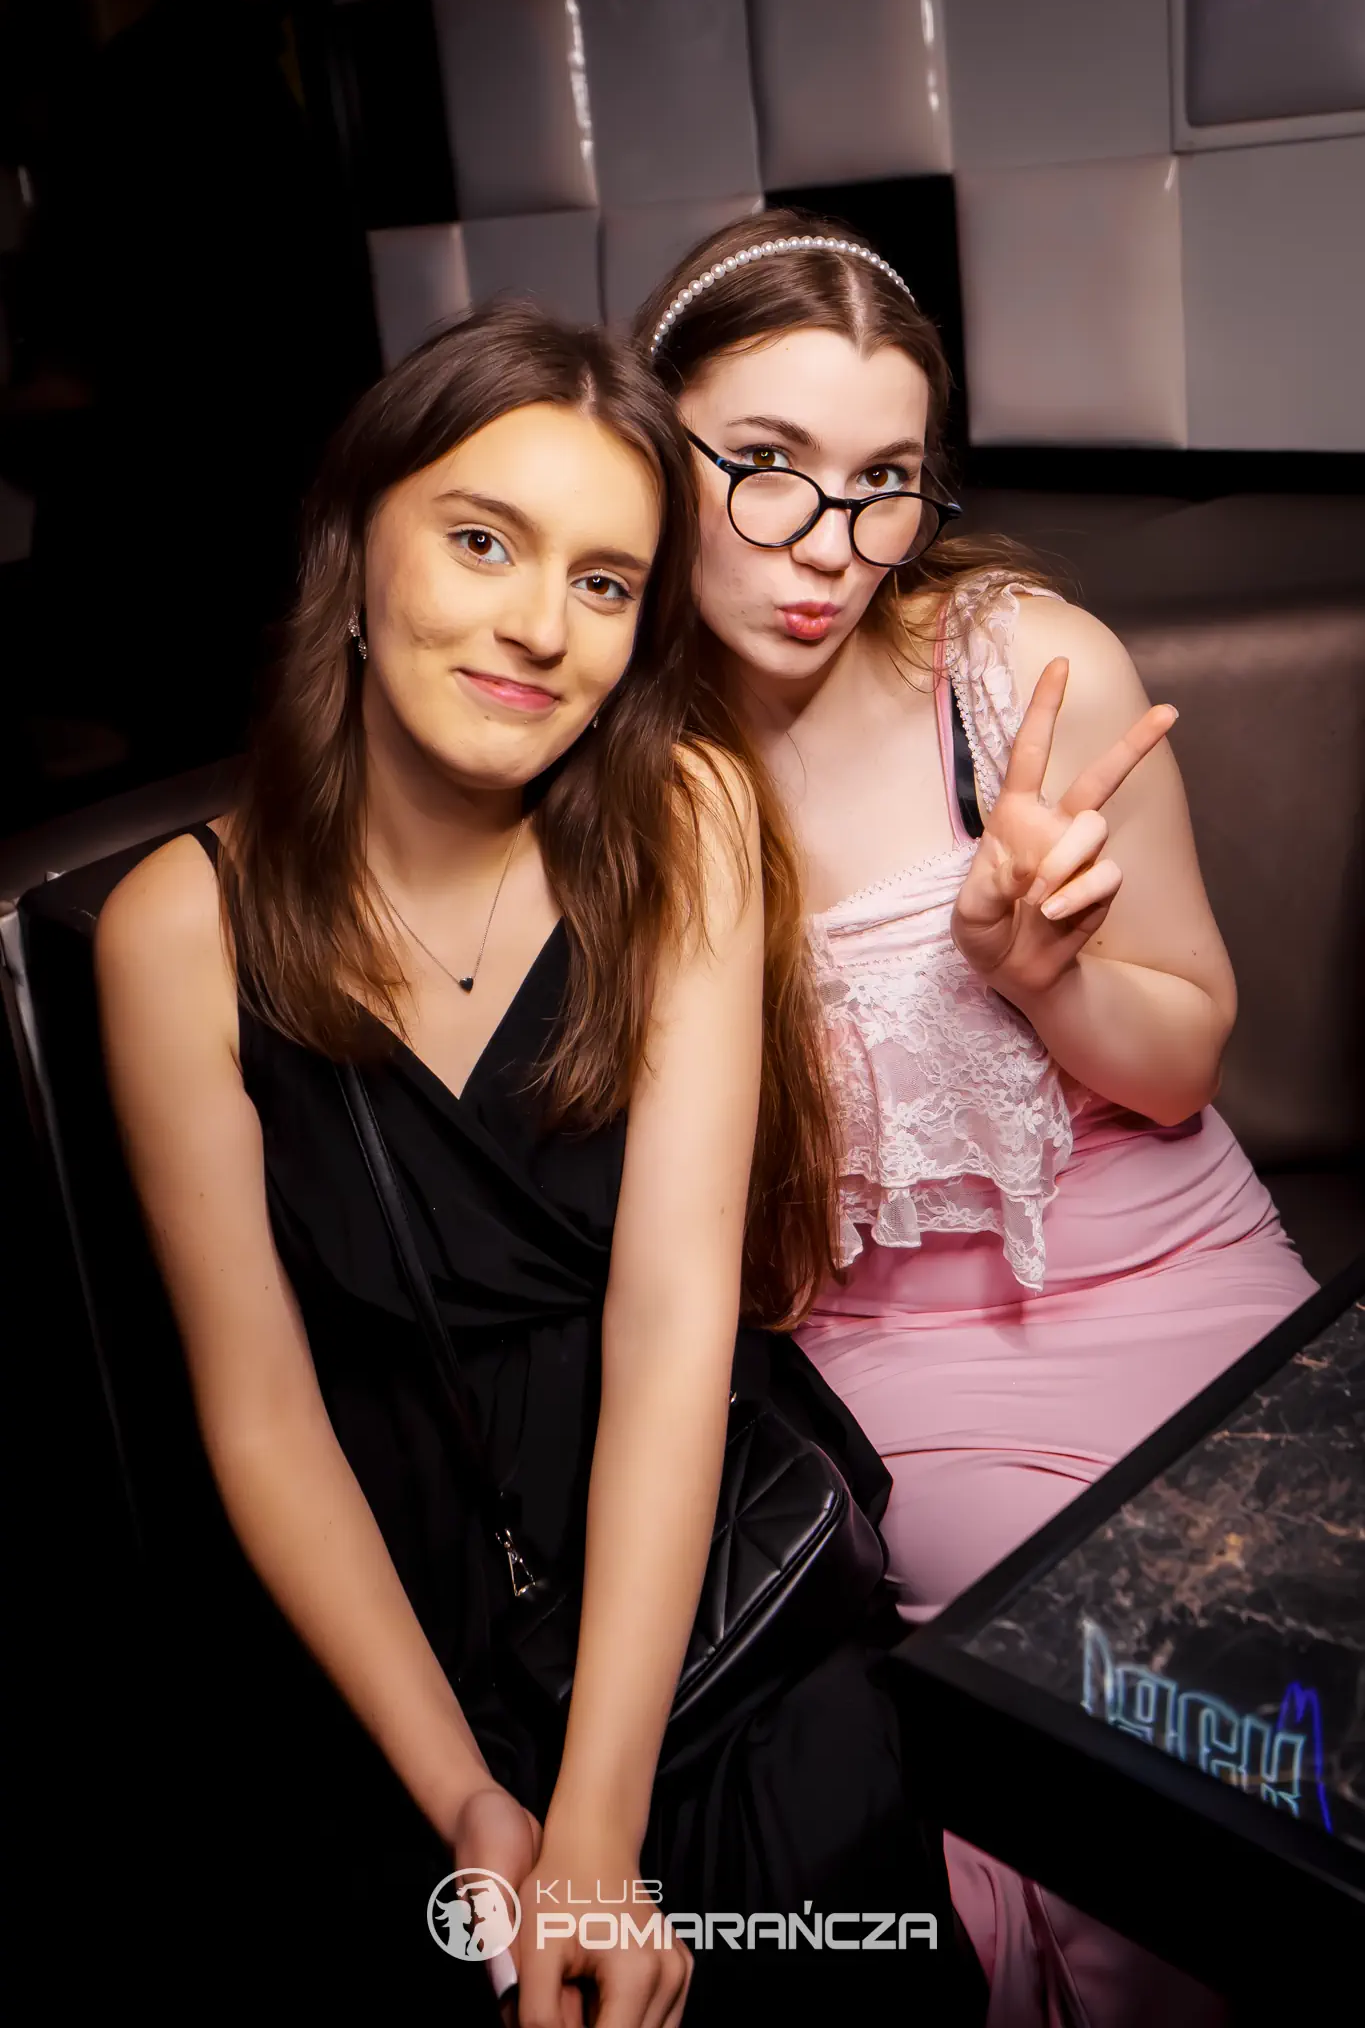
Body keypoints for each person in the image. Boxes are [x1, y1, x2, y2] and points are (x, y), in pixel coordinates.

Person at [95, 298, 983, 2022]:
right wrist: (468, 1803)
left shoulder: (683, 827)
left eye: (605, 581)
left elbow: (673, 1317)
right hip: (388, 1626)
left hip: (694, 1565)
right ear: (356, 555)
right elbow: (262, 1415)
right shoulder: (177, 931)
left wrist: (594, 1823)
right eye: (484, 541)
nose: (538, 627)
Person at [636, 208, 1318, 2026]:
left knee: (1311, 1663)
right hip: (890, 1358)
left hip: (1175, 1267)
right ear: (648, 442)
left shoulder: (1021, 666)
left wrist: (1038, 977)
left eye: (884, 483)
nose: (828, 544)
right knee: (1124, 1721)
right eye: (764, 463)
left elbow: (1180, 1062)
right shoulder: (608, 764)